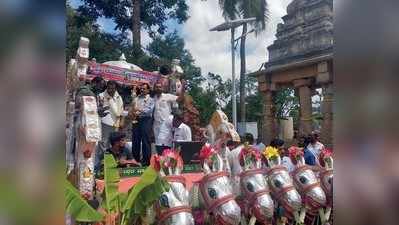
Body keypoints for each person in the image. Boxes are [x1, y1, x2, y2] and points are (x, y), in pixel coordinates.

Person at [153, 82, 183, 152]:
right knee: (158, 144)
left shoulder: (167, 96)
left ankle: (167, 161)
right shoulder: (153, 98)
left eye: (160, 87)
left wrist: (183, 88)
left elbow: (179, 99)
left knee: (167, 144)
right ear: (154, 88)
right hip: (156, 125)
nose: (158, 88)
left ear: (162, 88)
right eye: (156, 87)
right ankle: (159, 161)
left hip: (166, 125)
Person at [131, 83, 154, 166]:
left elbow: (149, 111)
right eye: (141, 88)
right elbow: (132, 108)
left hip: (145, 120)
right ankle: (135, 160)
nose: (142, 90)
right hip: (136, 120)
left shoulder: (151, 100)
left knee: (145, 141)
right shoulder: (136, 98)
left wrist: (139, 110)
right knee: (135, 140)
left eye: (144, 88)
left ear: (148, 90)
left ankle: (146, 161)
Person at [98, 81, 124, 152]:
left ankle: (110, 159)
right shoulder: (101, 95)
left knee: (114, 143)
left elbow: (121, 110)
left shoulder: (118, 96)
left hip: (116, 123)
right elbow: (99, 110)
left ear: (115, 88)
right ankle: (103, 160)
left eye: (113, 88)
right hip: (105, 122)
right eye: (109, 88)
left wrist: (121, 121)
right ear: (107, 87)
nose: (111, 90)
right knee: (104, 142)